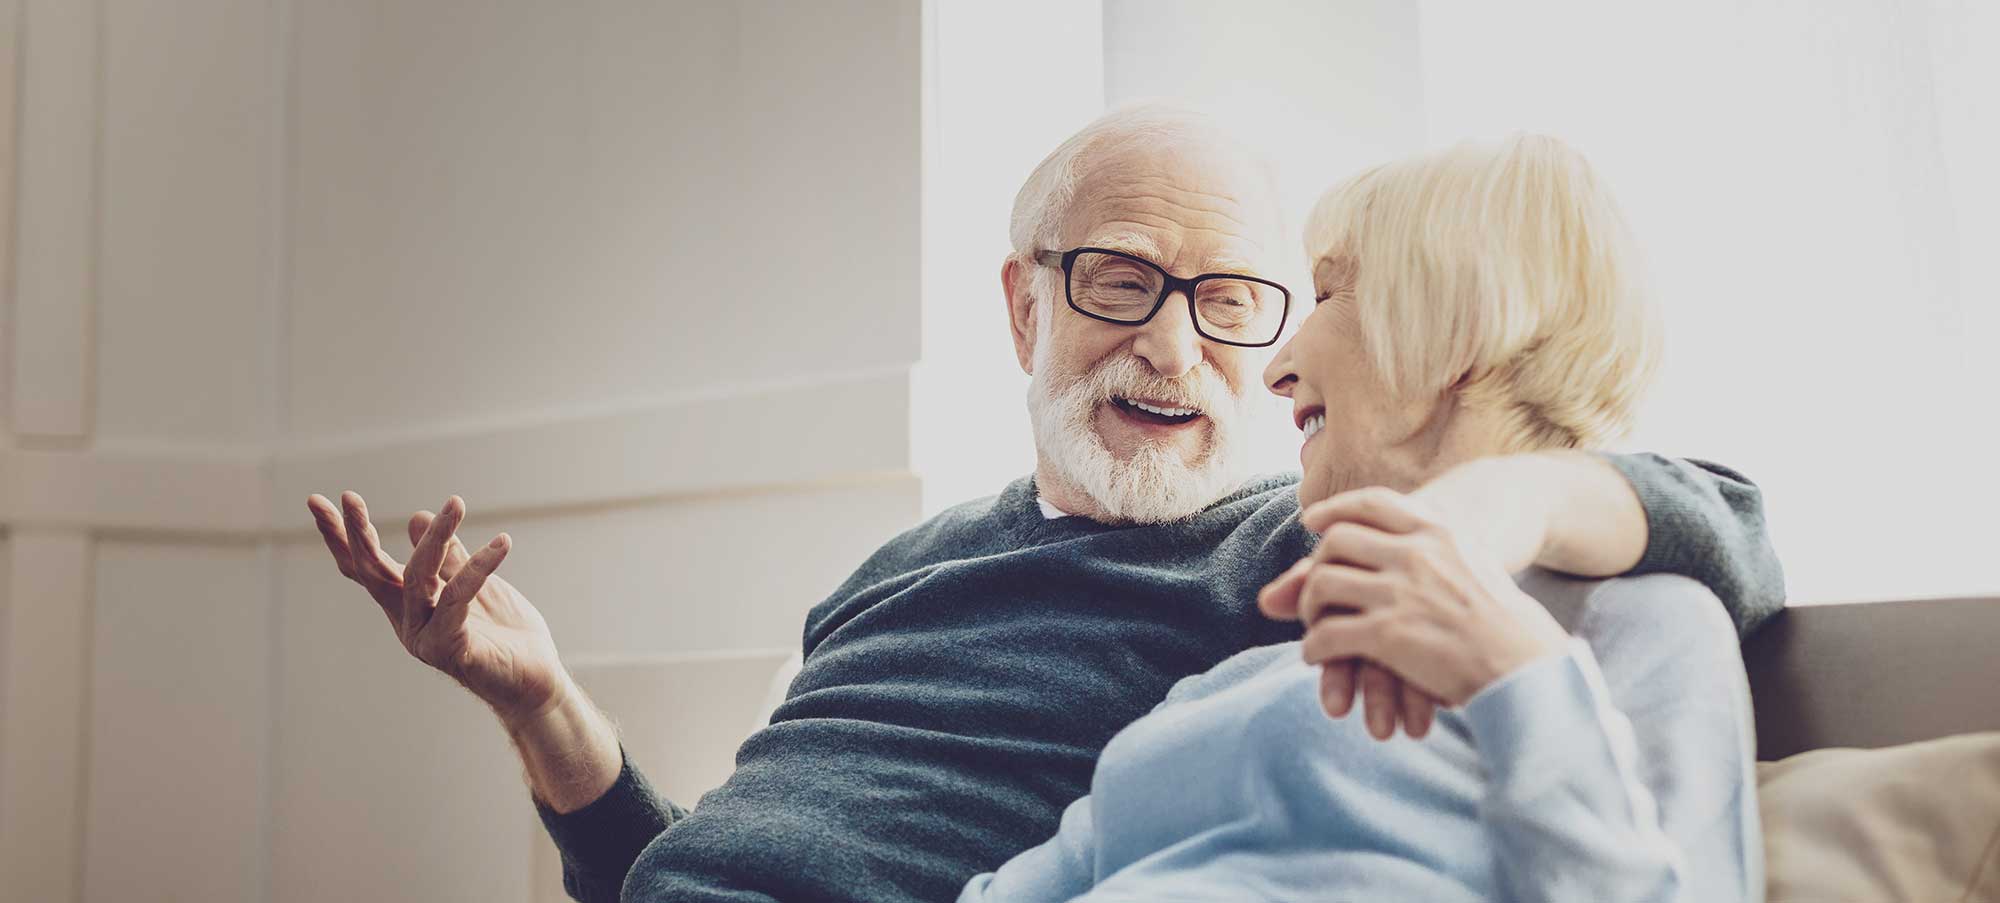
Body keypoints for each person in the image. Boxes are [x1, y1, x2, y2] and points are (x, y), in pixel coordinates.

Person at [304, 106, 1782, 903]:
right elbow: (704, 865)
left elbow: (1709, 512)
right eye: (1126, 278)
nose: (1183, 343)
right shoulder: (896, 570)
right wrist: (544, 704)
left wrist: (1489, 510)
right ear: (1025, 308)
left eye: (1243, 300)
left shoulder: (1300, 555)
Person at [959, 134, 1759, 903]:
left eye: (1329, 295)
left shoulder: (1638, 623)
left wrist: (1515, 674)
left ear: (1459, 331)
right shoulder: (1251, 666)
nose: (1275, 366)